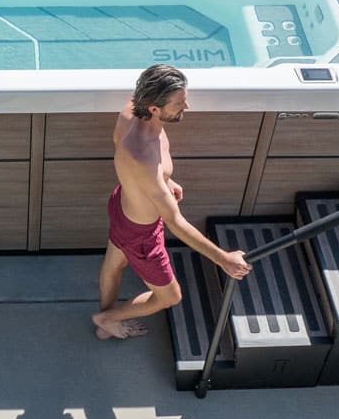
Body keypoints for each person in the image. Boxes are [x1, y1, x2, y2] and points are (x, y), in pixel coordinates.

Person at [92, 64, 252, 340]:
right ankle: (107, 318)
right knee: (169, 296)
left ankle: (104, 324)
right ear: (154, 107)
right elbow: (175, 222)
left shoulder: (133, 110)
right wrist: (223, 259)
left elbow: (142, 170)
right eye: (179, 103)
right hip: (142, 234)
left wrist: (164, 182)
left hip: (123, 205)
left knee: (114, 264)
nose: (186, 106)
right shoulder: (142, 155)